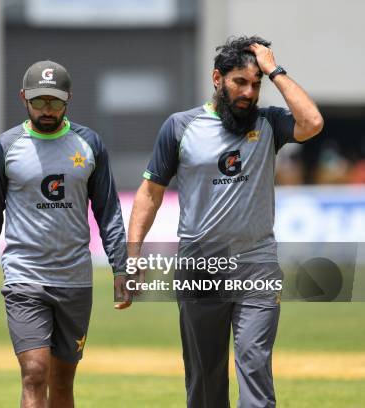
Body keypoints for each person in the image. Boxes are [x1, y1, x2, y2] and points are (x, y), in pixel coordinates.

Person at [128, 36, 323, 408]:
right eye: (240, 82)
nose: (249, 93)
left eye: (255, 84)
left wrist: (274, 70)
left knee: (254, 365)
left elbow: (312, 121)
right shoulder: (180, 127)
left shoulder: (270, 123)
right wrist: (134, 255)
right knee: (205, 379)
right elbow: (149, 194)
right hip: (200, 266)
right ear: (217, 79)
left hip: (257, 265)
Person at [0, 60, 130, 407]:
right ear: (23, 98)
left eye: (55, 102)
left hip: (75, 280)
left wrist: (122, 268)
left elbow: (109, 212)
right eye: (39, 101)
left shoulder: (89, 145)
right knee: (34, 373)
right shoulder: (4, 148)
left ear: (69, 99)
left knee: (62, 383)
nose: (47, 110)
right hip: (24, 278)